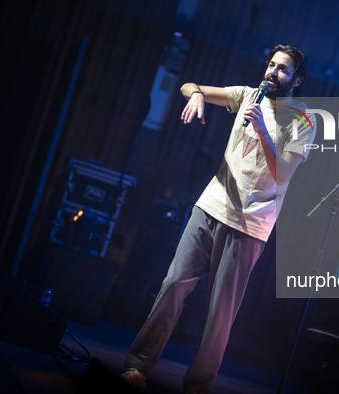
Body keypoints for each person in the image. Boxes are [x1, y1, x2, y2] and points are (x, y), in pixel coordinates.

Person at [121, 44, 316, 393]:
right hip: (210, 206)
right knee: (172, 285)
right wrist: (195, 95)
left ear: (297, 79)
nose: (272, 72)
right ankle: (137, 368)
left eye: (282, 69)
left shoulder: (303, 119)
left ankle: (197, 385)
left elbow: (284, 174)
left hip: (250, 225)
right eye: (271, 64)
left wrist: (262, 132)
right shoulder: (247, 95)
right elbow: (188, 85)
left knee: (220, 315)